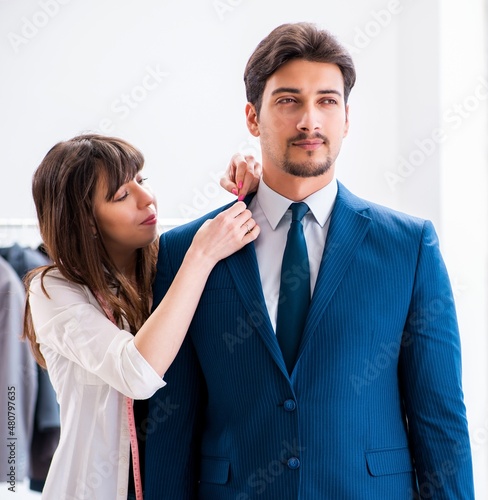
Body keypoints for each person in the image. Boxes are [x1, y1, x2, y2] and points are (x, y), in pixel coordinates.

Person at [144, 22, 475, 499]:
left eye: (326, 101)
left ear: (346, 117)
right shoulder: (187, 250)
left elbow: (440, 417)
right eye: (288, 100)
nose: (309, 121)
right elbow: (171, 425)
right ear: (252, 118)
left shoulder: (409, 247)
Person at [22, 133, 260, 500]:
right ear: (85, 221)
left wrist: (251, 181)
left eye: (141, 180)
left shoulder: (167, 266)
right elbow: (137, 373)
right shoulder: (53, 290)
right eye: (121, 195)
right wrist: (200, 257)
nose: (147, 198)